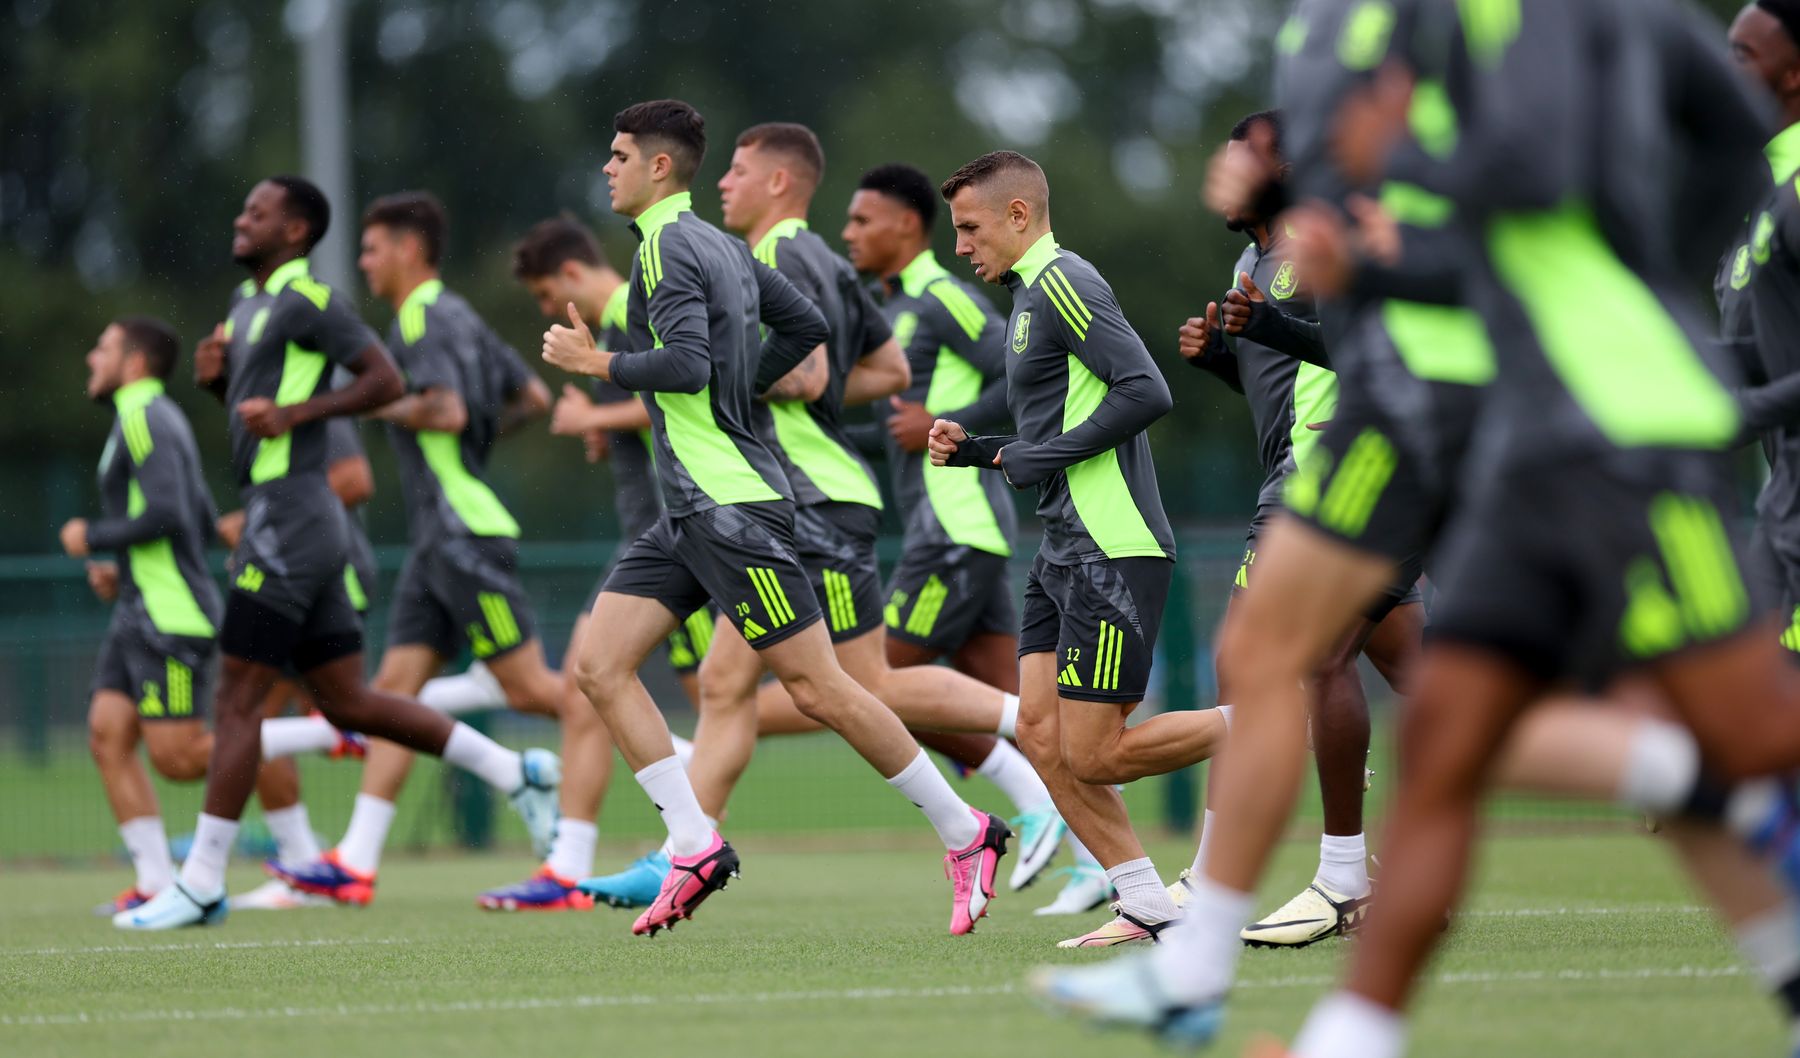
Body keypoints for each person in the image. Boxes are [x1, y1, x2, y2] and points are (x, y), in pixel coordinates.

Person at [540, 99, 1010, 937]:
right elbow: (808, 325)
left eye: (618, 156)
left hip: (732, 506)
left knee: (822, 688)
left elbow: (683, 364)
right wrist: (746, 385)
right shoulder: (718, 244)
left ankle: (967, 830)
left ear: (657, 167)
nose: (606, 169)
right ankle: (693, 842)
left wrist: (598, 361)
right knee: (599, 665)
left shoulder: (668, 248)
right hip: (691, 506)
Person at [115, 174, 559, 930]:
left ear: (294, 232)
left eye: (257, 212)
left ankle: (200, 882)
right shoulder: (247, 308)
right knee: (350, 701)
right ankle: (514, 772)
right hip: (286, 516)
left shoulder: (307, 300)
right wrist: (221, 390)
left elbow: (381, 378)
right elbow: (264, 422)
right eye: (243, 207)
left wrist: (300, 410)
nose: (240, 218)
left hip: (291, 518)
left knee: (235, 701)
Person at [638, 122, 1056, 899]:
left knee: (871, 685)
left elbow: (810, 372)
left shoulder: (781, 256)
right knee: (731, 688)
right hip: (810, 496)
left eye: (736, 170)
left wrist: (723, 382)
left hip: (827, 500)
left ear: (777, 183)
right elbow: (878, 371)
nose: (722, 183)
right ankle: (680, 852)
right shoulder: (830, 264)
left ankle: (1028, 763)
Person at [928, 150, 1227, 948]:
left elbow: (1146, 390)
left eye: (969, 227)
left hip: (1112, 545)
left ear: (1020, 215)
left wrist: (1036, 456)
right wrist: (983, 447)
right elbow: (1055, 431)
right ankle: (1147, 901)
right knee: (1038, 732)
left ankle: (1268, 722)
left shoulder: (1064, 280)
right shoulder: (1029, 296)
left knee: (1094, 755)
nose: (960, 245)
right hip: (1062, 551)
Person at [265, 191, 593, 911]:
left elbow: (441, 407)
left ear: (408, 250)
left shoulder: (421, 317)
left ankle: (685, 774)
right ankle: (354, 860)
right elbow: (532, 397)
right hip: (440, 538)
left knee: (538, 691)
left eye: (372, 248)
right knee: (388, 699)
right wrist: (471, 444)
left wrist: (369, 401)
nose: (363, 261)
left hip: (461, 534)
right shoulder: (462, 315)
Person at [843, 161, 1106, 915]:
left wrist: (939, 426)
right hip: (958, 534)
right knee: (1032, 712)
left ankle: (1029, 807)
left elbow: (1015, 375)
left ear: (904, 225)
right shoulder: (888, 308)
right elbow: (900, 429)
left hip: (954, 530)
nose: (850, 232)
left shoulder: (940, 297)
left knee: (873, 686)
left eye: (862, 220)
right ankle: (1102, 860)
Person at [65, 316, 352, 915]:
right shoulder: (143, 418)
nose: (93, 357)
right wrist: (122, 569)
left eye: (104, 347)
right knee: (107, 732)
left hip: (169, 616)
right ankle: (152, 882)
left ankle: (328, 732)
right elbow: (192, 520)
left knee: (178, 757)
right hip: (137, 607)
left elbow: (167, 513)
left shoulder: (144, 414)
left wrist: (89, 533)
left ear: (135, 363)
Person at [504, 214, 715, 908]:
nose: (545, 312)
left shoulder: (631, 306)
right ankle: (577, 861)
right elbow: (647, 412)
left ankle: (611, 853)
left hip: (675, 530)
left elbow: (687, 384)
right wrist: (605, 431)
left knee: (751, 700)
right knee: (601, 687)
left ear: (569, 274)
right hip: (653, 531)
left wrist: (593, 417)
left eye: (542, 296)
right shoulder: (620, 324)